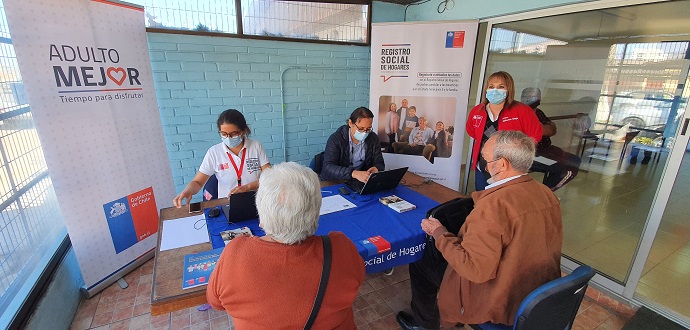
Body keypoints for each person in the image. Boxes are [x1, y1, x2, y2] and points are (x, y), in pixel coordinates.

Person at [396, 130, 563, 330]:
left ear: (502, 164)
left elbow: (473, 270)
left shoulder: (494, 207)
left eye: (485, 157)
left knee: (421, 261)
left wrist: (439, 233)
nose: (482, 162)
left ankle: (425, 324)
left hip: (498, 297)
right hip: (533, 289)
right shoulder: (546, 193)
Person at [207, 162, 365, 329]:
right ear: (316, 212)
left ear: (262, 214)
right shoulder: (341, 247)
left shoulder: (236, 254)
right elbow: (359, 276)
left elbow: (215, 302)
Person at [172, 109, 271, 208]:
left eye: (233, 134)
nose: (228, 138)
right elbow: (197, 182)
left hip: (256, 201)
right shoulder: (214, 152)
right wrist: (188, 190)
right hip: (227, 204)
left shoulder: (255, 146)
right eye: (224, 134)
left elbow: (269, 177)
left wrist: (248, 187)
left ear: (243, 131)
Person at [465, 71, 542, 191]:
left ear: (508, 89)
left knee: (504, 200)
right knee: (482, 197)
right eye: (491, 86)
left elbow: (534, 136)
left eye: (501, 87)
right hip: (483, 165)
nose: (495, 90)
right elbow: (472, 132)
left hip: (509, 169)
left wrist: (517, 156)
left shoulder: (522, 111)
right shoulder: (477, 111)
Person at [521, 87, 581, 190]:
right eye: (526, 96)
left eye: (533, 96)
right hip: (531, 153)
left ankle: (547, 191)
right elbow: (538, 132)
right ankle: (545, 193)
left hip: (546, 149)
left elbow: (552, 130)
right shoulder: (520, 112)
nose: (529, 99)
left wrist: (543, 129)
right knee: (558, 167)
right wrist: (543, 129)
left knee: (574, 160)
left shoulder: (538, 112)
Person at [321, 107, 385, 183]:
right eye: (361, 128)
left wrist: (377, 168)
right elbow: (328, 167)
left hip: (360, 181)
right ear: (350, 123)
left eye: (368, 129)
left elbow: (379, 162)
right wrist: (353, 173)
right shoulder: (336, 139)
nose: (365, 133)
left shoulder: (373, 138)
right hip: (336, 181)